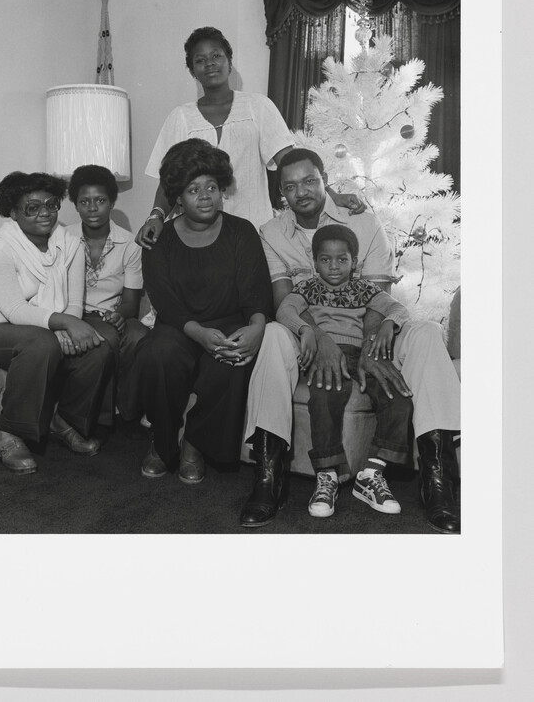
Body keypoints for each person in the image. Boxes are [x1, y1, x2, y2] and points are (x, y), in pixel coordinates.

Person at [243, 147, 461, 533]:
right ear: (282, 193)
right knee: (276, 335)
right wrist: (319, 337)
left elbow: (377, 298)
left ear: (326, 179)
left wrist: (371, 350)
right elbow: (284, 304)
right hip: (308, 332)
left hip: (370, 331)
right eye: (290, 186)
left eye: (310, 180)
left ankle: (437, 474)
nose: (302, 192)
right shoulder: (272, 234)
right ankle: (268, 474)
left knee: (426, 332)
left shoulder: (362, 221)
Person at [135, 26, 363, 245]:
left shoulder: (258, 107)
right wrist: (155, 215)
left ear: (229, 62)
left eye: (216, 55)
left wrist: (330, 194)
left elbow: (291, 163)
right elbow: (168, 181)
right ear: (192, 70)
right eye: (200, 60)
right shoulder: (180, 117)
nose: (210, 63)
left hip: (255, 232)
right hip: (199, 236)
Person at [135, 138, 273, 485]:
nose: (205, 195)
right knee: (158, 353)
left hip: (229, 322)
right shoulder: (158, 238)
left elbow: (257, 294)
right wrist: (197, 332)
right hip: (179, 325)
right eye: (193, 189)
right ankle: (162, 441)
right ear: (177, 197)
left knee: (230, 360)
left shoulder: (242, 232)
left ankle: (195, 443)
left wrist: (257, 328)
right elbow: (164, 302)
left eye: (211, 186)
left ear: (222, 189)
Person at [0, 171, 114, 474]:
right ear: (13, 212)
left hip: (44, 328)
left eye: (50, 204)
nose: (44, 213)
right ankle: (8, 433)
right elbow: (15, 309)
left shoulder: (70, 244)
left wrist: (69, 328)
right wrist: (63, 325)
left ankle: (67, 422)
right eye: (32, 207)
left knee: (100, 345)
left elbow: (74, 301)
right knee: (41, 342)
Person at [277, 224, 414, 518]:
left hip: (364, 354)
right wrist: (304, 329)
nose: (334, 266)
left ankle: (371, 474)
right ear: (315, 263)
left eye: (342, 259)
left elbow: (399, 309)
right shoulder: (307, 288)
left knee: (397, 394)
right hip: (327, 357)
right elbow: (284, 310)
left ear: (355, 262)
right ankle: (326, 476)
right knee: (326, 396)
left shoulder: (364, 289)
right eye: (325, 259)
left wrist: (390, 323)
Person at [65, 164, 149, 435]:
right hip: (75, 315)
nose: (92, 208)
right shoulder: (63, 239)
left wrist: (120, 315)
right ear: (75, 205)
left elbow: (131, 300)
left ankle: (128, 411)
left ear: (112, 202)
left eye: (100, 200)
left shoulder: (130, 244)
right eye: (84, 202)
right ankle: (96, 420)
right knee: (107, 338)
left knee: (140, 335)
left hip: (113, 312)